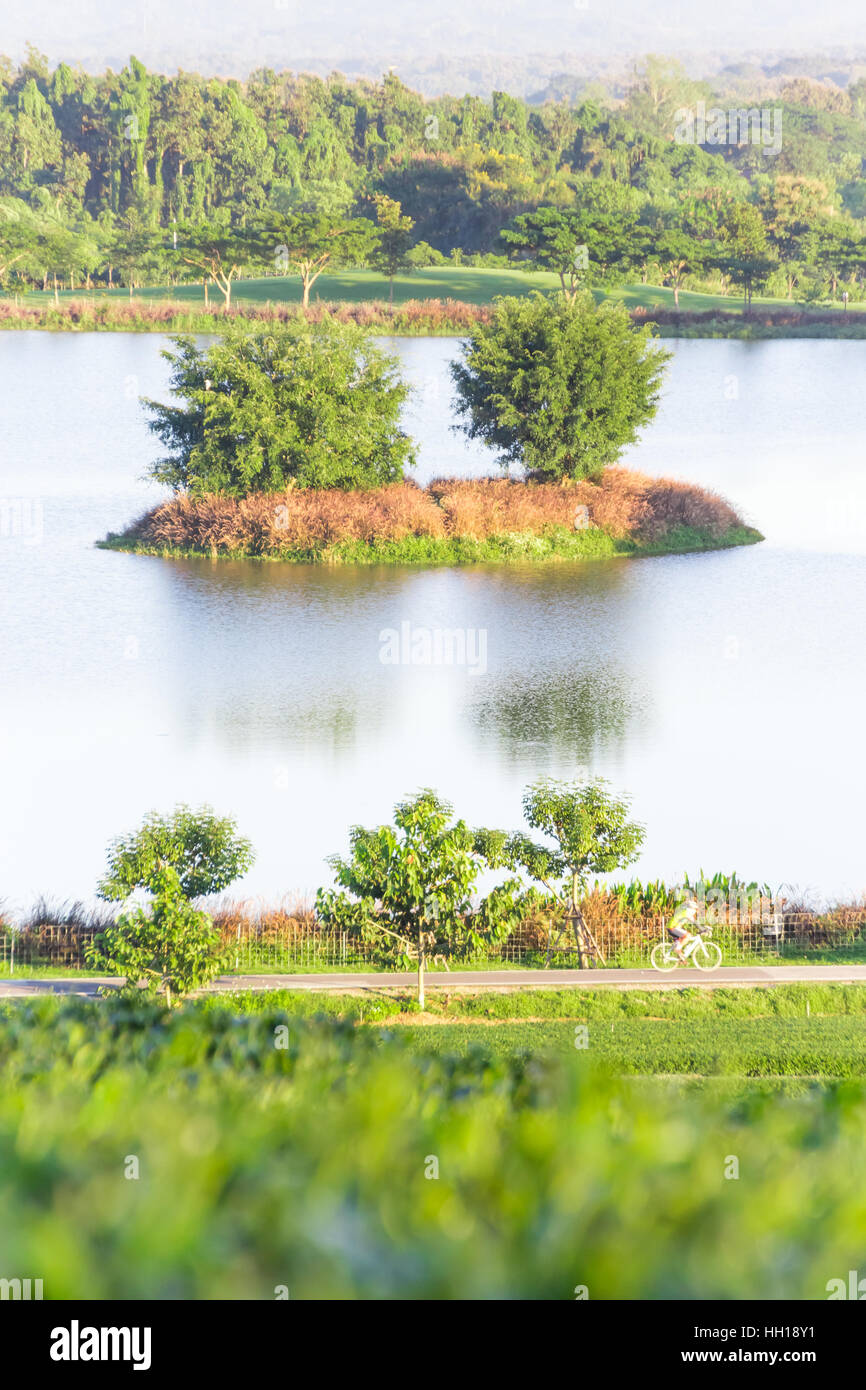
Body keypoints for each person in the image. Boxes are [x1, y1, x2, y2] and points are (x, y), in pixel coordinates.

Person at [667, 896, 701, 960]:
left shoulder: (685, 912)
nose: (696, 911)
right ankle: (678, 949)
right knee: (688, 935)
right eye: (695, 909)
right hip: (672, 928)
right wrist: (702, 929)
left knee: (680, 941)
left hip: (672, 927)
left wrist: (701, 928)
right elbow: (695, 922)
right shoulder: (687, 913)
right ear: (692, 908)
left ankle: (681, 959)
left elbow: (695, 922)